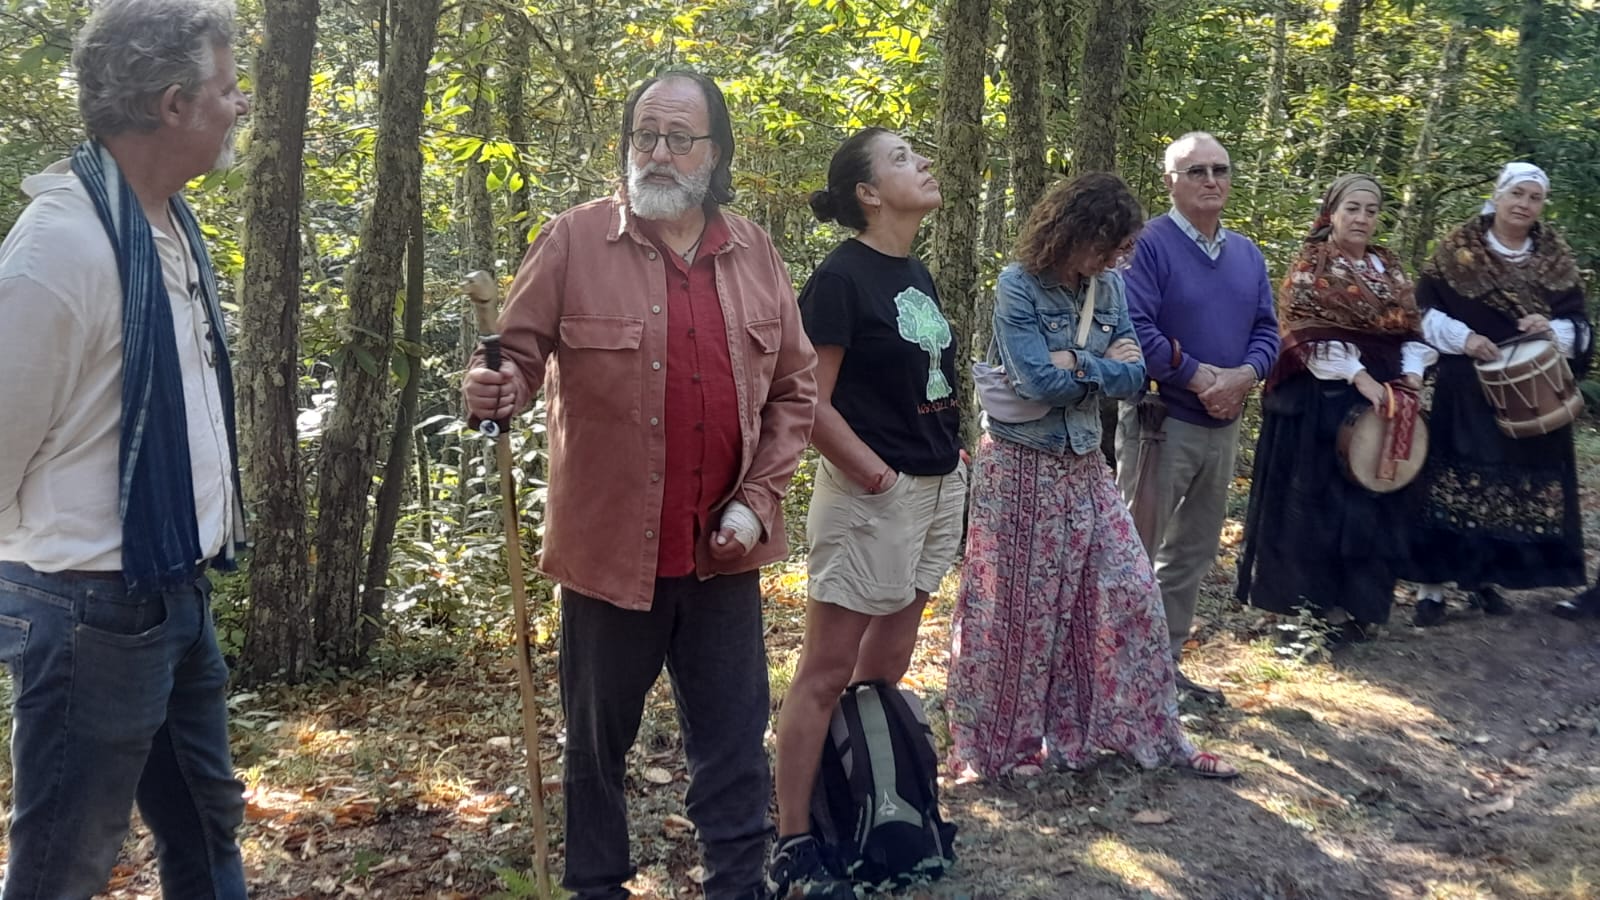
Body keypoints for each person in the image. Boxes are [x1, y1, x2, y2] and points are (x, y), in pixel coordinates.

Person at [462, 71, 818, 900]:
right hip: (606, 557)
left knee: (732, 746)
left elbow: (796, 391)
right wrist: (496, 390)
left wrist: (757, 501)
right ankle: (596, 887)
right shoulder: (574, 240)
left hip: (724, 555)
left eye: (677, 137)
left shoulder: (755, 251)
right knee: (595, 749)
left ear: (715, 152)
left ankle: (739, 885)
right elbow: (513, 360)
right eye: (642, 135)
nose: (656, 152)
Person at [0, 0, 252, 895]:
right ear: (175, 105)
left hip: (174, 592)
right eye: (228, 89)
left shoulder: (164, 226)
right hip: (86, 611)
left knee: (208, 827)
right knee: (64, 863)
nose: (241, 105)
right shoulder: (59, 249)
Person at [945, 174, 1238, 782]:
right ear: (1072, 234)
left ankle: (1148, 734)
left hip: (1083, 461)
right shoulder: (1018, 286)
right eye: (1107, 245)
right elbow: (1033, 383)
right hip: (1021, 465)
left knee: (1130, 592)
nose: (1116, 259)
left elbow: (1138, 379)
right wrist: (1101, 366)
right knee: (1018, 615)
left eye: (1122, 247)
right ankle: (1005, 749)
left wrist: (1076, 363)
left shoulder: (1107, 289)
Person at [764, 128, 965, 899]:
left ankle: (869, 803)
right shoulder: (840, 279)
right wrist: (873, 474)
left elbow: (930, 378)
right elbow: (807, 400)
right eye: (904, 158)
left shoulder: (915, 271)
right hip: (872, 496)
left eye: (921, 150)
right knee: (823, 672)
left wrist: (949, 457)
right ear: (868, 194)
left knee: (885, 665)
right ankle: (793, 838)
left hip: (937, 487)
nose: (924, 161)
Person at [1235, 175, 1436, 642]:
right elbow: (1303, 331)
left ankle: (1351, 608)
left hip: (1381, 404)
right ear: (1332, 213)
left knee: (1368, 507)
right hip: (1319, 407)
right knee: (1312, 507)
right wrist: (1359, 376)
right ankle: (1300, 611)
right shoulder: (1313, 264)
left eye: (1371, 209)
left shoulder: (1389, 266)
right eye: (1353, 208)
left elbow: (1411, 330)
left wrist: (1410, 377)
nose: (1363, 217)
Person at [1116, 132, 1279, 698]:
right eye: (1196, 171)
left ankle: (1164, 673)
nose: (1211, 180)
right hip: (1162, 424)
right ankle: (1117, 676)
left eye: (1220, 170)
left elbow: (1267, 330)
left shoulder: (1247, 253)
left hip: (1224, 422)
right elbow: (1133, 327)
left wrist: (1243, 377)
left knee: (1192, 553)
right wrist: (1198, 376)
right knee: (1135, 548)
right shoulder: (1148, 246)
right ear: (1170, 181)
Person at [1403, 163, 1594, 624]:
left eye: (1534, 198)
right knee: (1452, 486)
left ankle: (1483, 579)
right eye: (1518, 194)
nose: (1525, 205)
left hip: (1535, 393)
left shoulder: (1555, 257)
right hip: (1467, 389)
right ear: (1499, 194)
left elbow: (1581, 325)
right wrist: (1464, 338)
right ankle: (1431, 590)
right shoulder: (1458, 250)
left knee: (1509, 489)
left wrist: (1553, 328)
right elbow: (1420, 312)